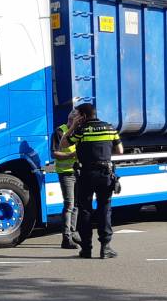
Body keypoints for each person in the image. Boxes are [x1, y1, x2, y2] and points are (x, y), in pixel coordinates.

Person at [60, 103, 124, 259]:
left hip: (86, 174)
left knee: (85, 210)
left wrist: (73, 126)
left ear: (83, 116)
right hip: (105, 174)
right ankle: (105, 247)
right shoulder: (110, 128)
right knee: (104, 209)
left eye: (77, 115)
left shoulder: (81, 131)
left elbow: (63, 144)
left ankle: (87, 248)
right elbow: (120, 151)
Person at [52, 110, 80, 250]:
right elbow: (55, 153)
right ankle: (66, 238)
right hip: (66, 173)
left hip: (78, 171)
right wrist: (72, 155)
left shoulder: (78, 131)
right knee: (69, 204)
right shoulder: (60, 131)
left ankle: (73, 232)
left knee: (76, 205)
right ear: (72, 119)